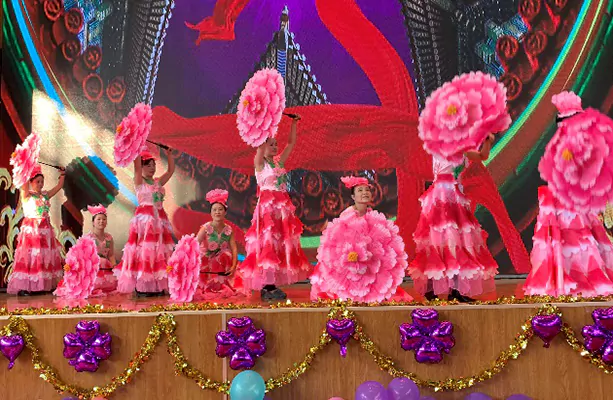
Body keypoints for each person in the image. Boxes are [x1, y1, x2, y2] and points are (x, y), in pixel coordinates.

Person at [408, 135, 498, 302]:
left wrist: (487, 142)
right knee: (438, 241)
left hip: (455, 196)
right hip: (440, 196)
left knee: (458, 242)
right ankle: (432, 288)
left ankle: (457, 290)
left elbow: (481, 156)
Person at [238, 114, 312, 300]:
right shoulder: (260, 164)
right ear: (263, 146)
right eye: (270, 144)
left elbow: (291, 144)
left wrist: (294, 123)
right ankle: (267, 286)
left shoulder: (279, 162)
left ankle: (272, 285)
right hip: (268, 208)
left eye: (275, 144)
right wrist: (263, 126)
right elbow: (259, 147)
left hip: (281, 207)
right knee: (268, 242)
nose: (274, 147)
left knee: (280, 243)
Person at [310, 176, 410, 302]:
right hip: (347, 257)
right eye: (360, 190)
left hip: (366, 257)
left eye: (367, 190)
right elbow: (340, 239)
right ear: (353, 197)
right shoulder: (348, 214)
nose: (365, 193)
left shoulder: (371, 213)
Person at [116, 149, 175, 296]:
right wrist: (136, 148)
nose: (152, 168)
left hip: (159, 219)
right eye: (148, 165)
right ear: (142, 167)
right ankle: (143, 284)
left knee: (159, 250)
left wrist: (169, 155)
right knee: (145, 250)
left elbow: (170, 171)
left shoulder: (158, 182)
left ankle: (158, 284)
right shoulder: (139, 181)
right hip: (145, 220)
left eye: (153, 165)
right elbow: (136, 167)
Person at [7, 164, 65, 295]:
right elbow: (24, 185)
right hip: (32, 229)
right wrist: (27, 167)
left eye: (42, 182)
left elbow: (58, 187)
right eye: (37, 181)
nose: (40, 184)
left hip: (45, 229)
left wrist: (62, 174)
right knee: (31, 256)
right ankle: (27, 286)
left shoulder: (45, 195)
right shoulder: (27, 195)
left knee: (44, 256)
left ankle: (43, 285)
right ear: (31, 182)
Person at [196, 189, 247, 299]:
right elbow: (195, 244)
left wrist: (233, 266)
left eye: (220, 209)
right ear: (211, 213)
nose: (217, 212)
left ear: (225, 212)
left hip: (223, 261)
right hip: (207, 259)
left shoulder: (229, 229)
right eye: (214, 210)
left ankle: (223, 284)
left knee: (226, 254)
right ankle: (209, 285)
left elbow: (234, 248)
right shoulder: (205, 228)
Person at [86, 205, 117, 295]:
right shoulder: (88, 238)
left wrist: (114, 267)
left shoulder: (109, 238)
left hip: (105, 269)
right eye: (98, 219)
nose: (101, 221)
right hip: (93, 270)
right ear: (93, 222)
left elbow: (111, 255)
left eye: (104, 219)